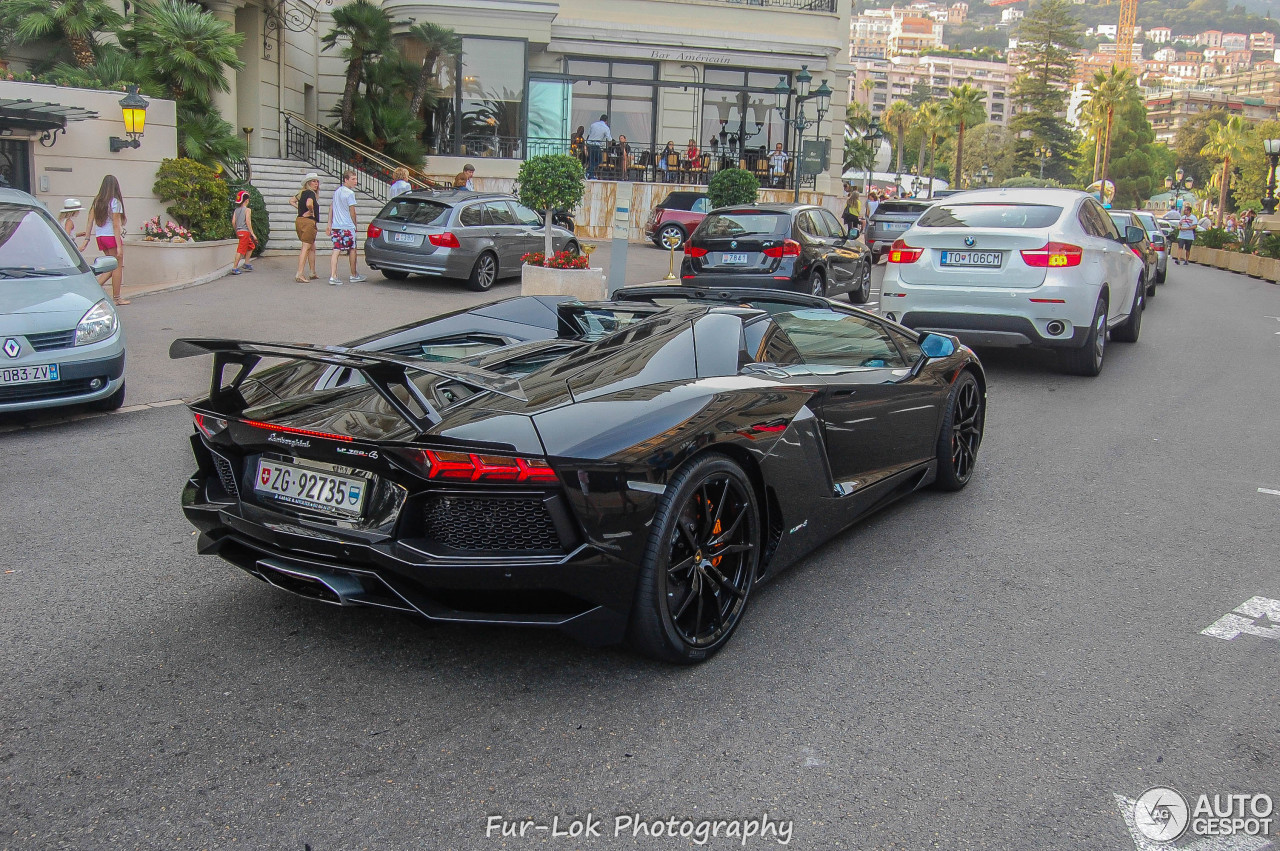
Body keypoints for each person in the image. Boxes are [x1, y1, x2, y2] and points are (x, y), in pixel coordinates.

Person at [89, 174, 128, 305]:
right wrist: (119, 246)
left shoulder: (97, 200)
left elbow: (90, 220)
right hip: (111, 236)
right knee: (117, 266)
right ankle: (116, 298)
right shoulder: (114, 202)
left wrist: (87, 238)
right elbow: (116, 225)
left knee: (111, 266)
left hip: (100, 236)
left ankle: (94, 287)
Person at [328, 170, 365, 285]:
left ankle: (333, 275)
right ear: (346, 180)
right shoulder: (350, 194)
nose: (355, 181)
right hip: (347, 226)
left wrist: (329, 223)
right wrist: (355, 224)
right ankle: (353, 274)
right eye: (353, 179)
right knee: (352, 248)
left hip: (337, 226)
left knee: (336, 249)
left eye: (356, 179)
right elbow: (352, 211)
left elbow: (331, 207)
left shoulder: (337, 192)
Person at [292, 173, 320, 282]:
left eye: (317, 181)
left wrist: (300, 209)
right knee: (306, 246)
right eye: (313, 181)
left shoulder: (301, 193)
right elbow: (309, 203)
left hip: (300, 220)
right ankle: (299, 273)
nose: (316, 183)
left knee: (312, 247)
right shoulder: (310, 193)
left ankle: (312, 271)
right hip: (308, 222)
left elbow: (291, 200)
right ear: (308, 183)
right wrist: (310, 211)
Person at [229, 190, 256, 275]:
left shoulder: (236, 210)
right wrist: (252, 233)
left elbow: (233, 221)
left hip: (239, 231)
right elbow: (248, 221)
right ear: (246, 200)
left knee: (251, 246)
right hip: (245, 232)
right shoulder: (247, 210)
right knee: (240, 250)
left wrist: (236, 230)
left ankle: (246, 263)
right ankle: (234, 268)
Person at [585, 114, 612, 179]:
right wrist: (609, 145)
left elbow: (589, 134)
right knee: (599, 160)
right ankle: (589, 172)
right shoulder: (606, 128)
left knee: (591, 160)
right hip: (596, 145)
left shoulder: (593, 125)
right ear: (606, 121)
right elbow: (609, 139)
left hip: (589, 144)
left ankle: (590, 174)